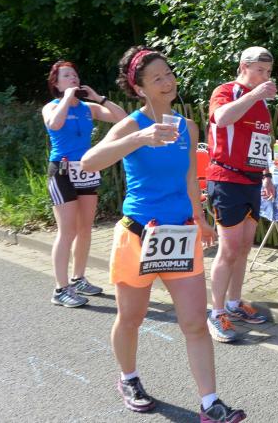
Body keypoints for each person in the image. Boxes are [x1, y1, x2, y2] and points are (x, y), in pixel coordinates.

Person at [81, 46, 245, 422]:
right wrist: (140, 138)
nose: (168, 81)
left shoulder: (187, 127)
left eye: (169, 73)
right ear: (140, 89)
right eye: (157, 78)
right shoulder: (132, 125)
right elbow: (89, 162)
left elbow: (189, 179)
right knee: (131, 318)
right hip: (138, 235)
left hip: (179, 235)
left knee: (194, 323)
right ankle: (128, 378)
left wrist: (200, 219)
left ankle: (210, 404)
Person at [42, 60, 127, 307]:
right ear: (56, 84)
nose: (73, 79)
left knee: (85, 228)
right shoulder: (52, 106)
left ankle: (78, 278)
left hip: (86, 169)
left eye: (75, 75)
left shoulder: (88, 108)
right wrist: (67, 98)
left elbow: (123, 119)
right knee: (67, 230)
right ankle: (60, 289)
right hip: (61, 171)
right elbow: (55, 124)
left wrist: (100, 99)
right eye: (67, 76)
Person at [206, 46, 276, 343]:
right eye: (260, 70)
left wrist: (267, 175)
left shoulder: (262, 103)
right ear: (243, 67)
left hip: (252, 181)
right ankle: (216, 311)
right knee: (229, 248)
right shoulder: (227, 91)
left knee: (245, 246)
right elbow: (221, 118)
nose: (265, 77)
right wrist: (253, 94)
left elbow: (261, 143)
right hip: (226, 179)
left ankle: (234, 304)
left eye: (268, 72)